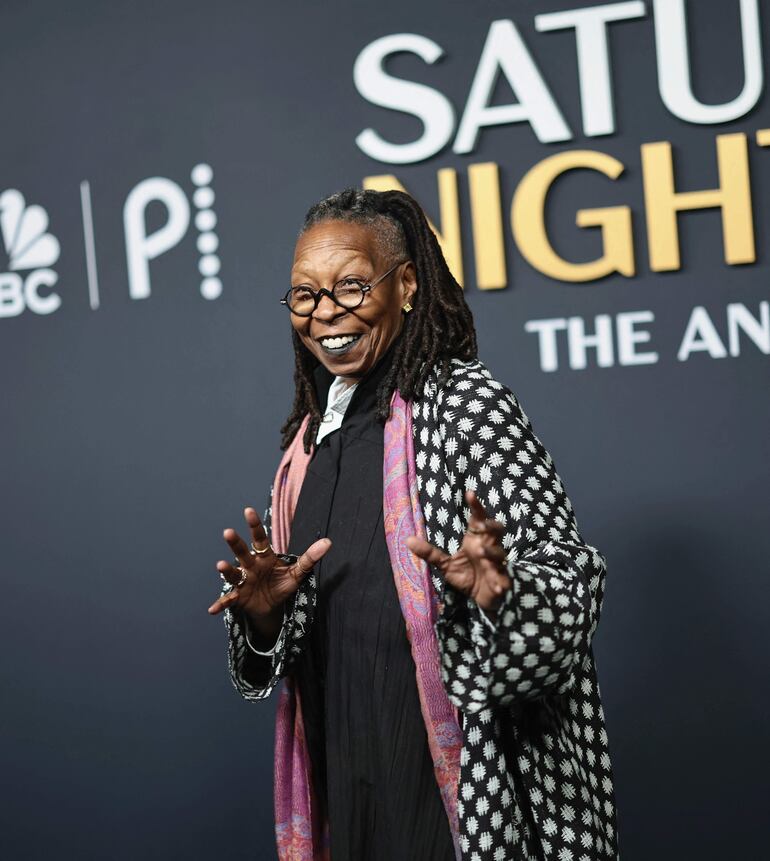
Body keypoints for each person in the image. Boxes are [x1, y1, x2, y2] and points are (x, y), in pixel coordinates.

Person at [208, 188, 619, 861]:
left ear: (404, 285)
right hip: (346, 783)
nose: (325, 313)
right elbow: (276, 660)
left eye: (349, 285)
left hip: (459, 784)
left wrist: (503, 593)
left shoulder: (464, 405)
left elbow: (569, 582)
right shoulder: (305, 447)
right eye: (305, 295)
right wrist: (261, 622)